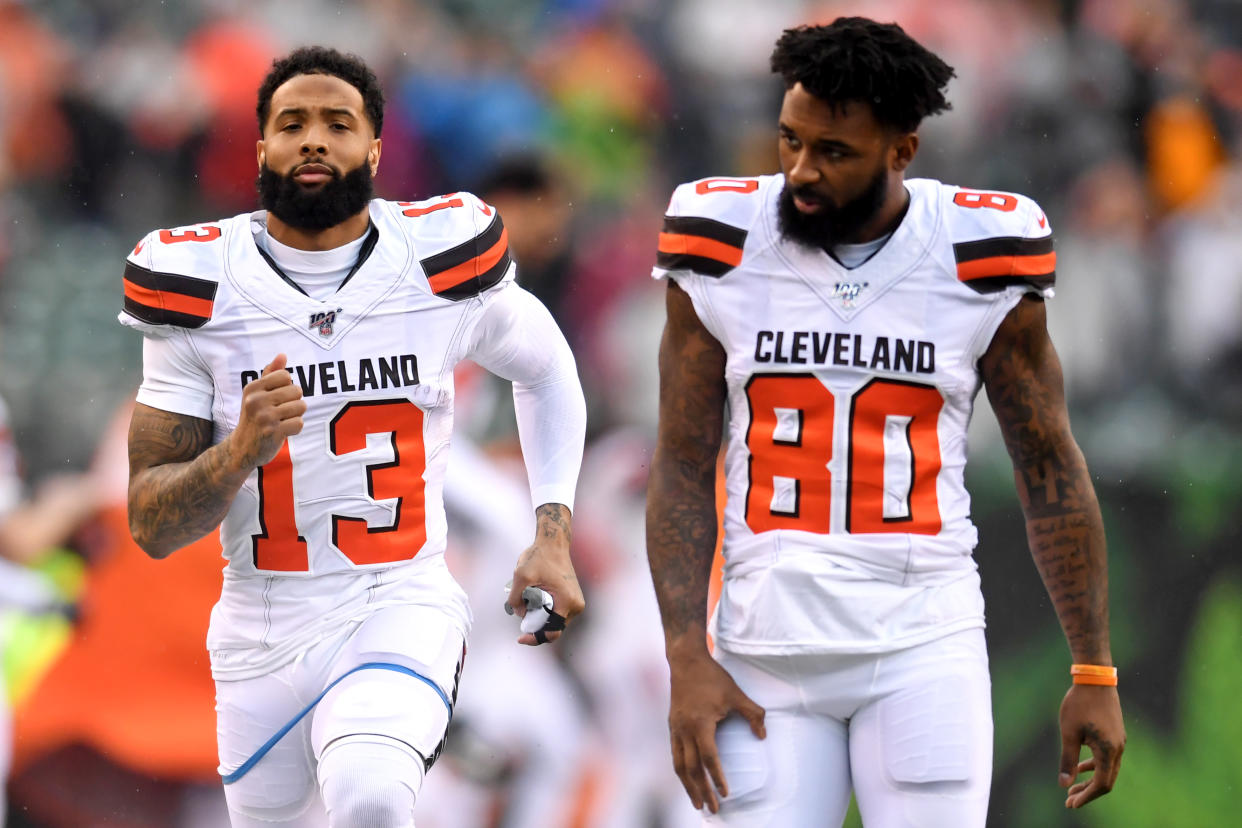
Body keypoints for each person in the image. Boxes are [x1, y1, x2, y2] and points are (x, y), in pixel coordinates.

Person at [644, 18, 1125, 827]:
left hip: (920, 647)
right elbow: (684, 462)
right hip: (763, 653)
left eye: (834, 152)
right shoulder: (719, 239)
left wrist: (1095, 668)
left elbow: (1047, 465)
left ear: (903, 151)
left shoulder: (980, 251)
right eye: (790, 141)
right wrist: (685, 654)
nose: (800, 171)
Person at [119, 46, 586, 828]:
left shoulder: (438, 261)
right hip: (260, 622)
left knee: (371, 796)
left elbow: (546, 369)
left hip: (397, 596)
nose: (313, 140)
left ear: (374, 148)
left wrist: (552, 531)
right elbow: (151, 523)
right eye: (291, 123)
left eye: (338, 124)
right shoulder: (198, 284)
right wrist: (236, 455)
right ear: (260, 146)